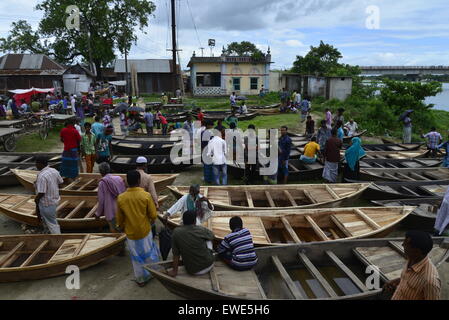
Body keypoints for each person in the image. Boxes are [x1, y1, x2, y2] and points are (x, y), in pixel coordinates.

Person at [116, 170, 160, 287]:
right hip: (145, 230)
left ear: (126, 182)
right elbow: (153, 215)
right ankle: (154, 272)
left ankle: (141, 279)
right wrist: (151, 221)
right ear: (139, 181)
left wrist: (120, 227)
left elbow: (119, 218)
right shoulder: (146, 196)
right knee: (149, 253)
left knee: (136, 258)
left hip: (130, 233)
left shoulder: (121, 198)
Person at [384, 231, 441, 300]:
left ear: (417, 251)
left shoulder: (430, 281)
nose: (402, 245)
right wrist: (396, 281)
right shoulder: (411, 259)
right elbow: (408, 278)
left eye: (406, 244)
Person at [168, 210, 215, 278]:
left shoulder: (176, 232)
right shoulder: (201, 229)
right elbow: (212, 236)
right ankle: (210, 254)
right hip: (208, 265)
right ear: (195, 221)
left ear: (183, 221)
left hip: (192, 270)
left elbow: (176, 255)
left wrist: (174, 271)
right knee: (208, 240)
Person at [34, 156, 64, 234]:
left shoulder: (42, 176)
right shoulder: (54, 170)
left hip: (47, 203)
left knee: (52, 223)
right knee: (47, 220)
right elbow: (61, 183)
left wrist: (36, 199)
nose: (36, 165)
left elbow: (41, 192)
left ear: (40, 164)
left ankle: (58, 238)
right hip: (55, 200)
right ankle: (47, 233)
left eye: (36, 163)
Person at [96, 162, 126, 233]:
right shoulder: (119, 178)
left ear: (100, 172)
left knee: (114, 231)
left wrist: (98, 214)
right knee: (123, 229)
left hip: (110, 212)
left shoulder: (102, 183)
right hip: (121, 209)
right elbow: (124, 193)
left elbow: (101, 201)